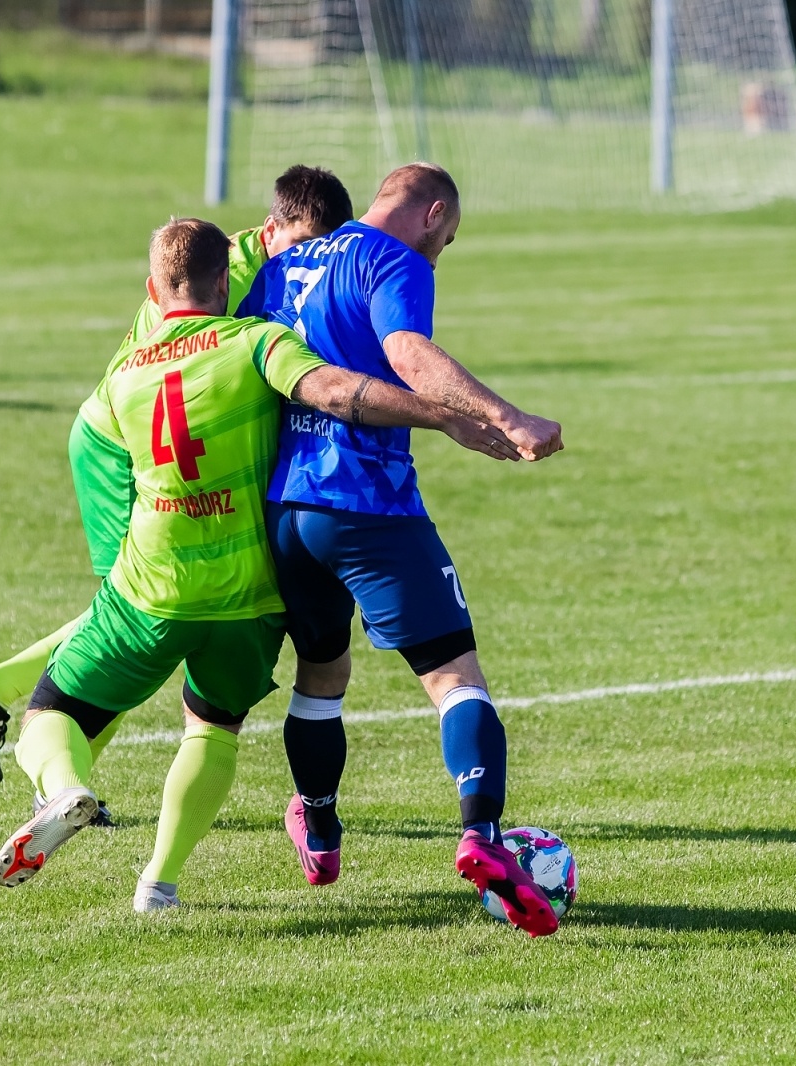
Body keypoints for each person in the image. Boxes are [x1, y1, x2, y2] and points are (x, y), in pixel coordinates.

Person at [0, 218, 519, 913]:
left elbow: (97, 452)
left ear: (153, 289)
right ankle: (159, 882)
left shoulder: (123, 376)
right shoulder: (255, 342)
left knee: (50, 712)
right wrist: (441, 415)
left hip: (153, 585)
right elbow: (332, 392)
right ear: (222, 283)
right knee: (210, 728)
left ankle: (63, 789)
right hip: (248, 596)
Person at [0, 166, 355, 799]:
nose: (311, 263)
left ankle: (4, 700)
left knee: (149, 605)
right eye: (303, 246)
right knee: (138, 609)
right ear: (271, 230)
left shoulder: (249, 262)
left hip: (147, 434)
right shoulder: (235, 271)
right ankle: (31, 744)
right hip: (117, 443)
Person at [237, 163, 566, 937]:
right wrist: (505, 415)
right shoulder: (394, 261)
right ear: (433, 214)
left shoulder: (287, 262)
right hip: (367, 505)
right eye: (446, 241)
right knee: (456, 678)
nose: (439, 255)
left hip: (287, 508)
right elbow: (410, 351)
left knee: (320, 674)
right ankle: (482, 840)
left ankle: (318, 830)